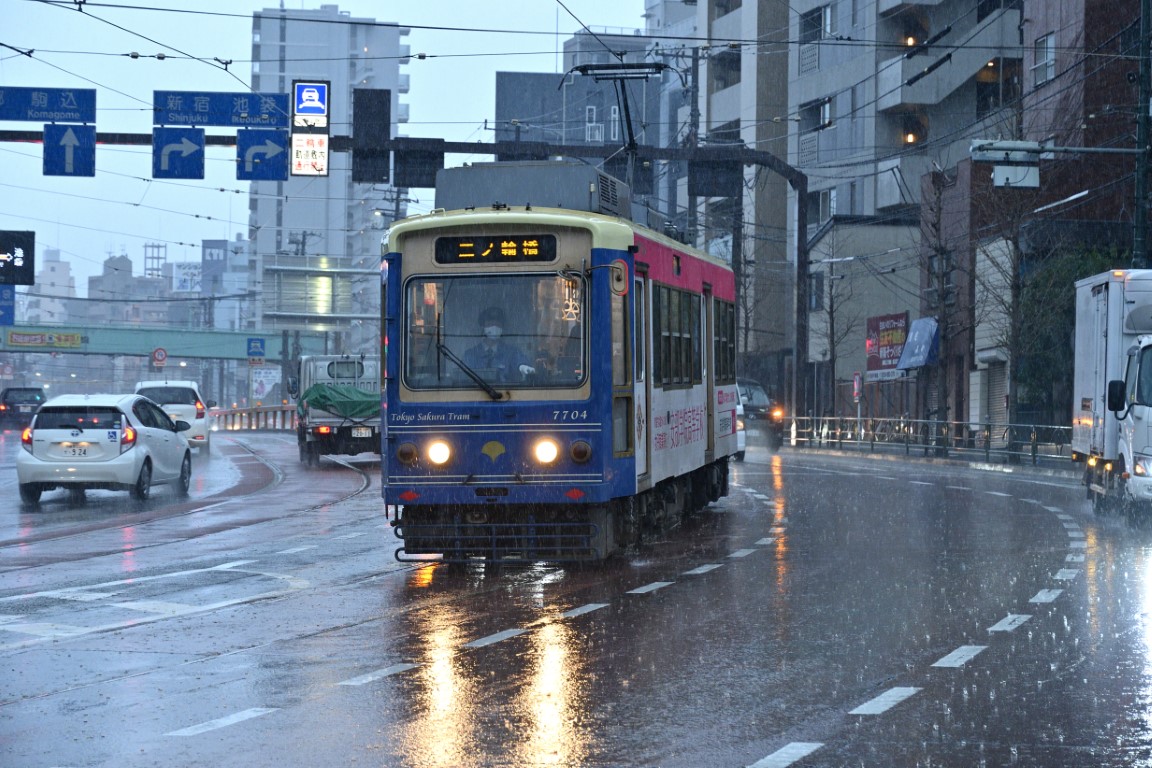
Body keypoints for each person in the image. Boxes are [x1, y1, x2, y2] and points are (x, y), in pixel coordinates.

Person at [462, 306, 535, 380]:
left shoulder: (511, 352)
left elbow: (520, 361)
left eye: (497, 324)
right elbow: (463, 379)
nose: (494, 326)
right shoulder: (470, 355)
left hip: (506, 391)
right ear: (483, 327)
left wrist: (522, 367)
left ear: (502, 327)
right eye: (490, 323)